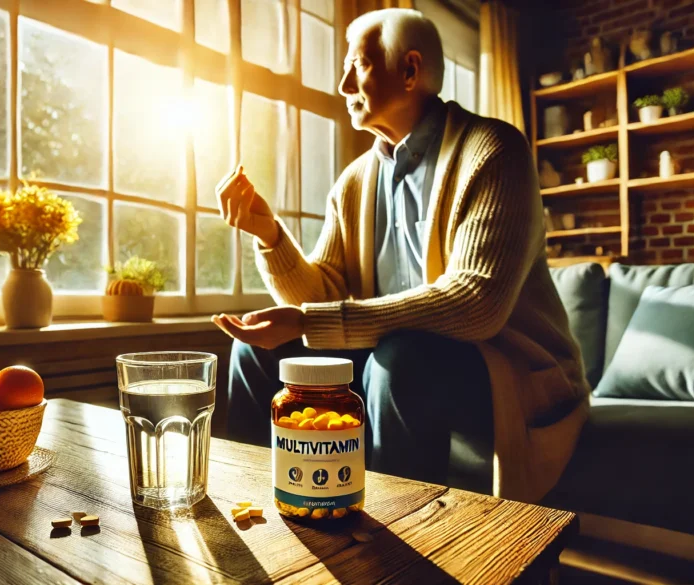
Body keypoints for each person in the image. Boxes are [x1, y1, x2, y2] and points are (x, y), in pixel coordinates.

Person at [211, 8, 590, 503]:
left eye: (358, 66)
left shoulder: (495, 151)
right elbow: (322, 291)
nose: (343, 83)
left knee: (399, 359)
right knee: (256, 352)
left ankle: (395, 551)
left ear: (410, 72)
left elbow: (478, 303)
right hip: (395, 361)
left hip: (509, 370)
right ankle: (251, 509)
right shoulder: (353, 182)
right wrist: (269, 236)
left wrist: (311, 322)